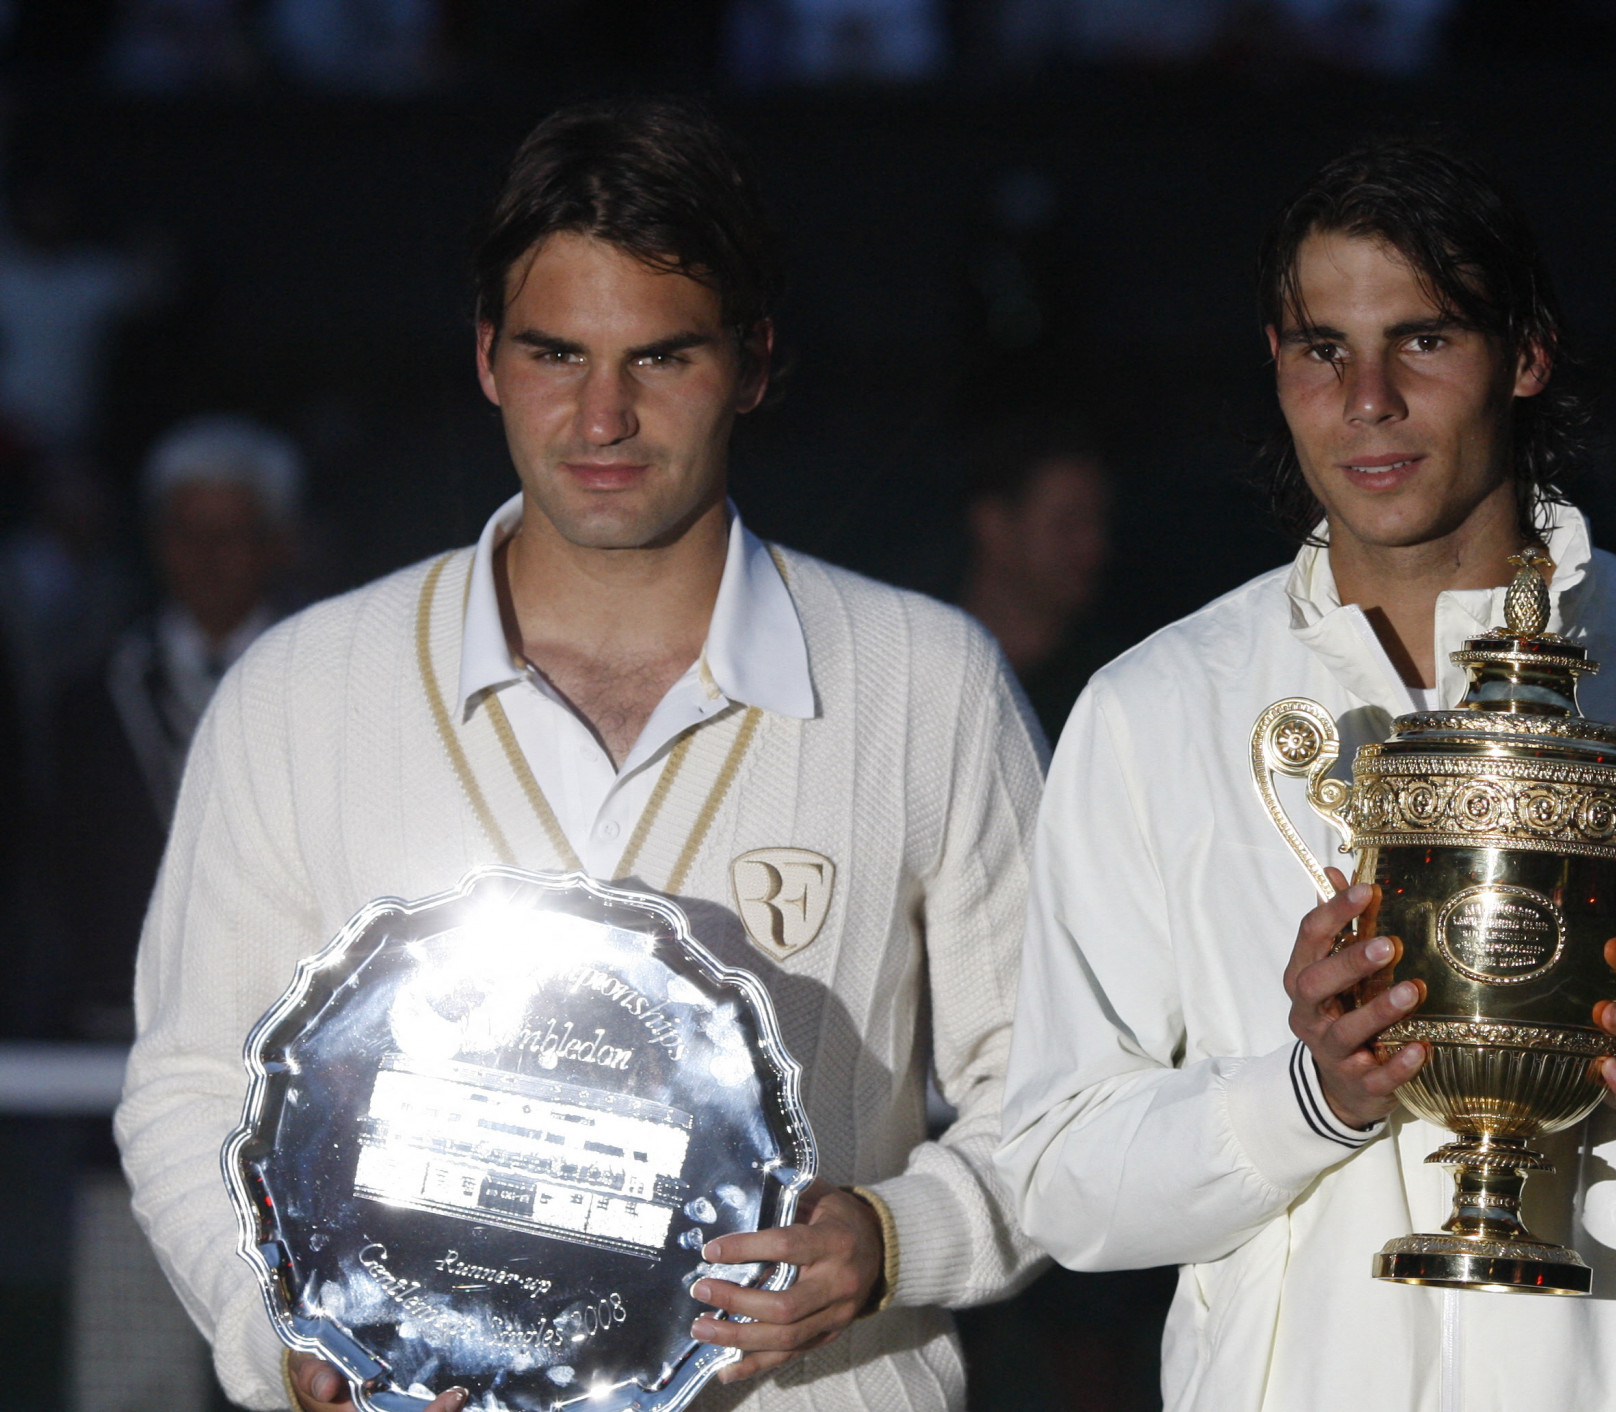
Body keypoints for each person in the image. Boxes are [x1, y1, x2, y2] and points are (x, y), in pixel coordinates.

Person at [996, 138, 1616, 1411]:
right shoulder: (1153, 707)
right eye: (1318, 348)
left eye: (1423, 339)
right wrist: (1309, 1096)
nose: (1366, 400)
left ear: (1525, 355)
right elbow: (1061, 1174)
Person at [116, 99, 1044, 1412]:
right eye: (558, 353)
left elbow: (1064, 1096)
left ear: (756, 362)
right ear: (489, 357)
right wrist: (282, 1330)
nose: (602, 417)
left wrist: (899, 1237)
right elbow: (192, 1082)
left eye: (662, 359)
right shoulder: (301, 690)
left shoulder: (924, 681)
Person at [54, 413, 302, 1041]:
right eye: (186, 533)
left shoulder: (332, 677)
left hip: (288, 1014)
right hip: (126, 1020)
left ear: (276, 543)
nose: (207, 558)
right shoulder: (95, 695)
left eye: (233, 534)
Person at [958, 417, 1119, 739]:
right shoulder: (920, 662)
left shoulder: (1107, 690)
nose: (1092, 545)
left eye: (1097, 522)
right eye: (1067, 525)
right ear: (993, 525)